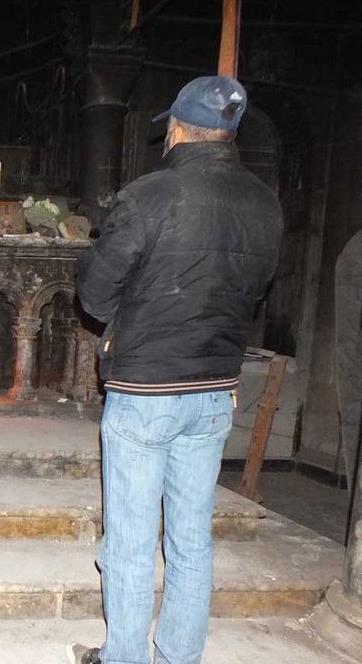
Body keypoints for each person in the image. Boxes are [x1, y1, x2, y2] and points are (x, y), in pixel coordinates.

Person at [69, 76, 283, 664]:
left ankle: (124, 659)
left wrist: (127, 317)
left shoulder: (150, 195)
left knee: (133, 541)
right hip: (215, 390)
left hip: (146, 389)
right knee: (192, 540)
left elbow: (93, 292)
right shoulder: (265, 203)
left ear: (179, 130)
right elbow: (249, 293)